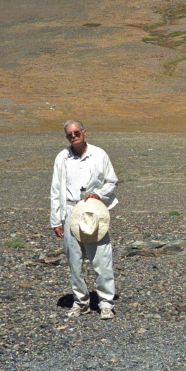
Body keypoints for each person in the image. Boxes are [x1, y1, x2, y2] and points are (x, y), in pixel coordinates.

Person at [50, 119, 118, 319]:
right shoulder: (62, 158)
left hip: (93, 211)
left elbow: (112, 181)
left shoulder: (99, 154)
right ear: (66, 137)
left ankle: (106, 303)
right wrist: (56, 220)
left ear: (84, 132)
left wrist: (99, 194)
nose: (74, 136)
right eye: (70, 134)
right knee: (74, 261)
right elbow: (55, 190)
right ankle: (81, 302)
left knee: (101, 258)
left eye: (76, 132)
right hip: (70, 210)